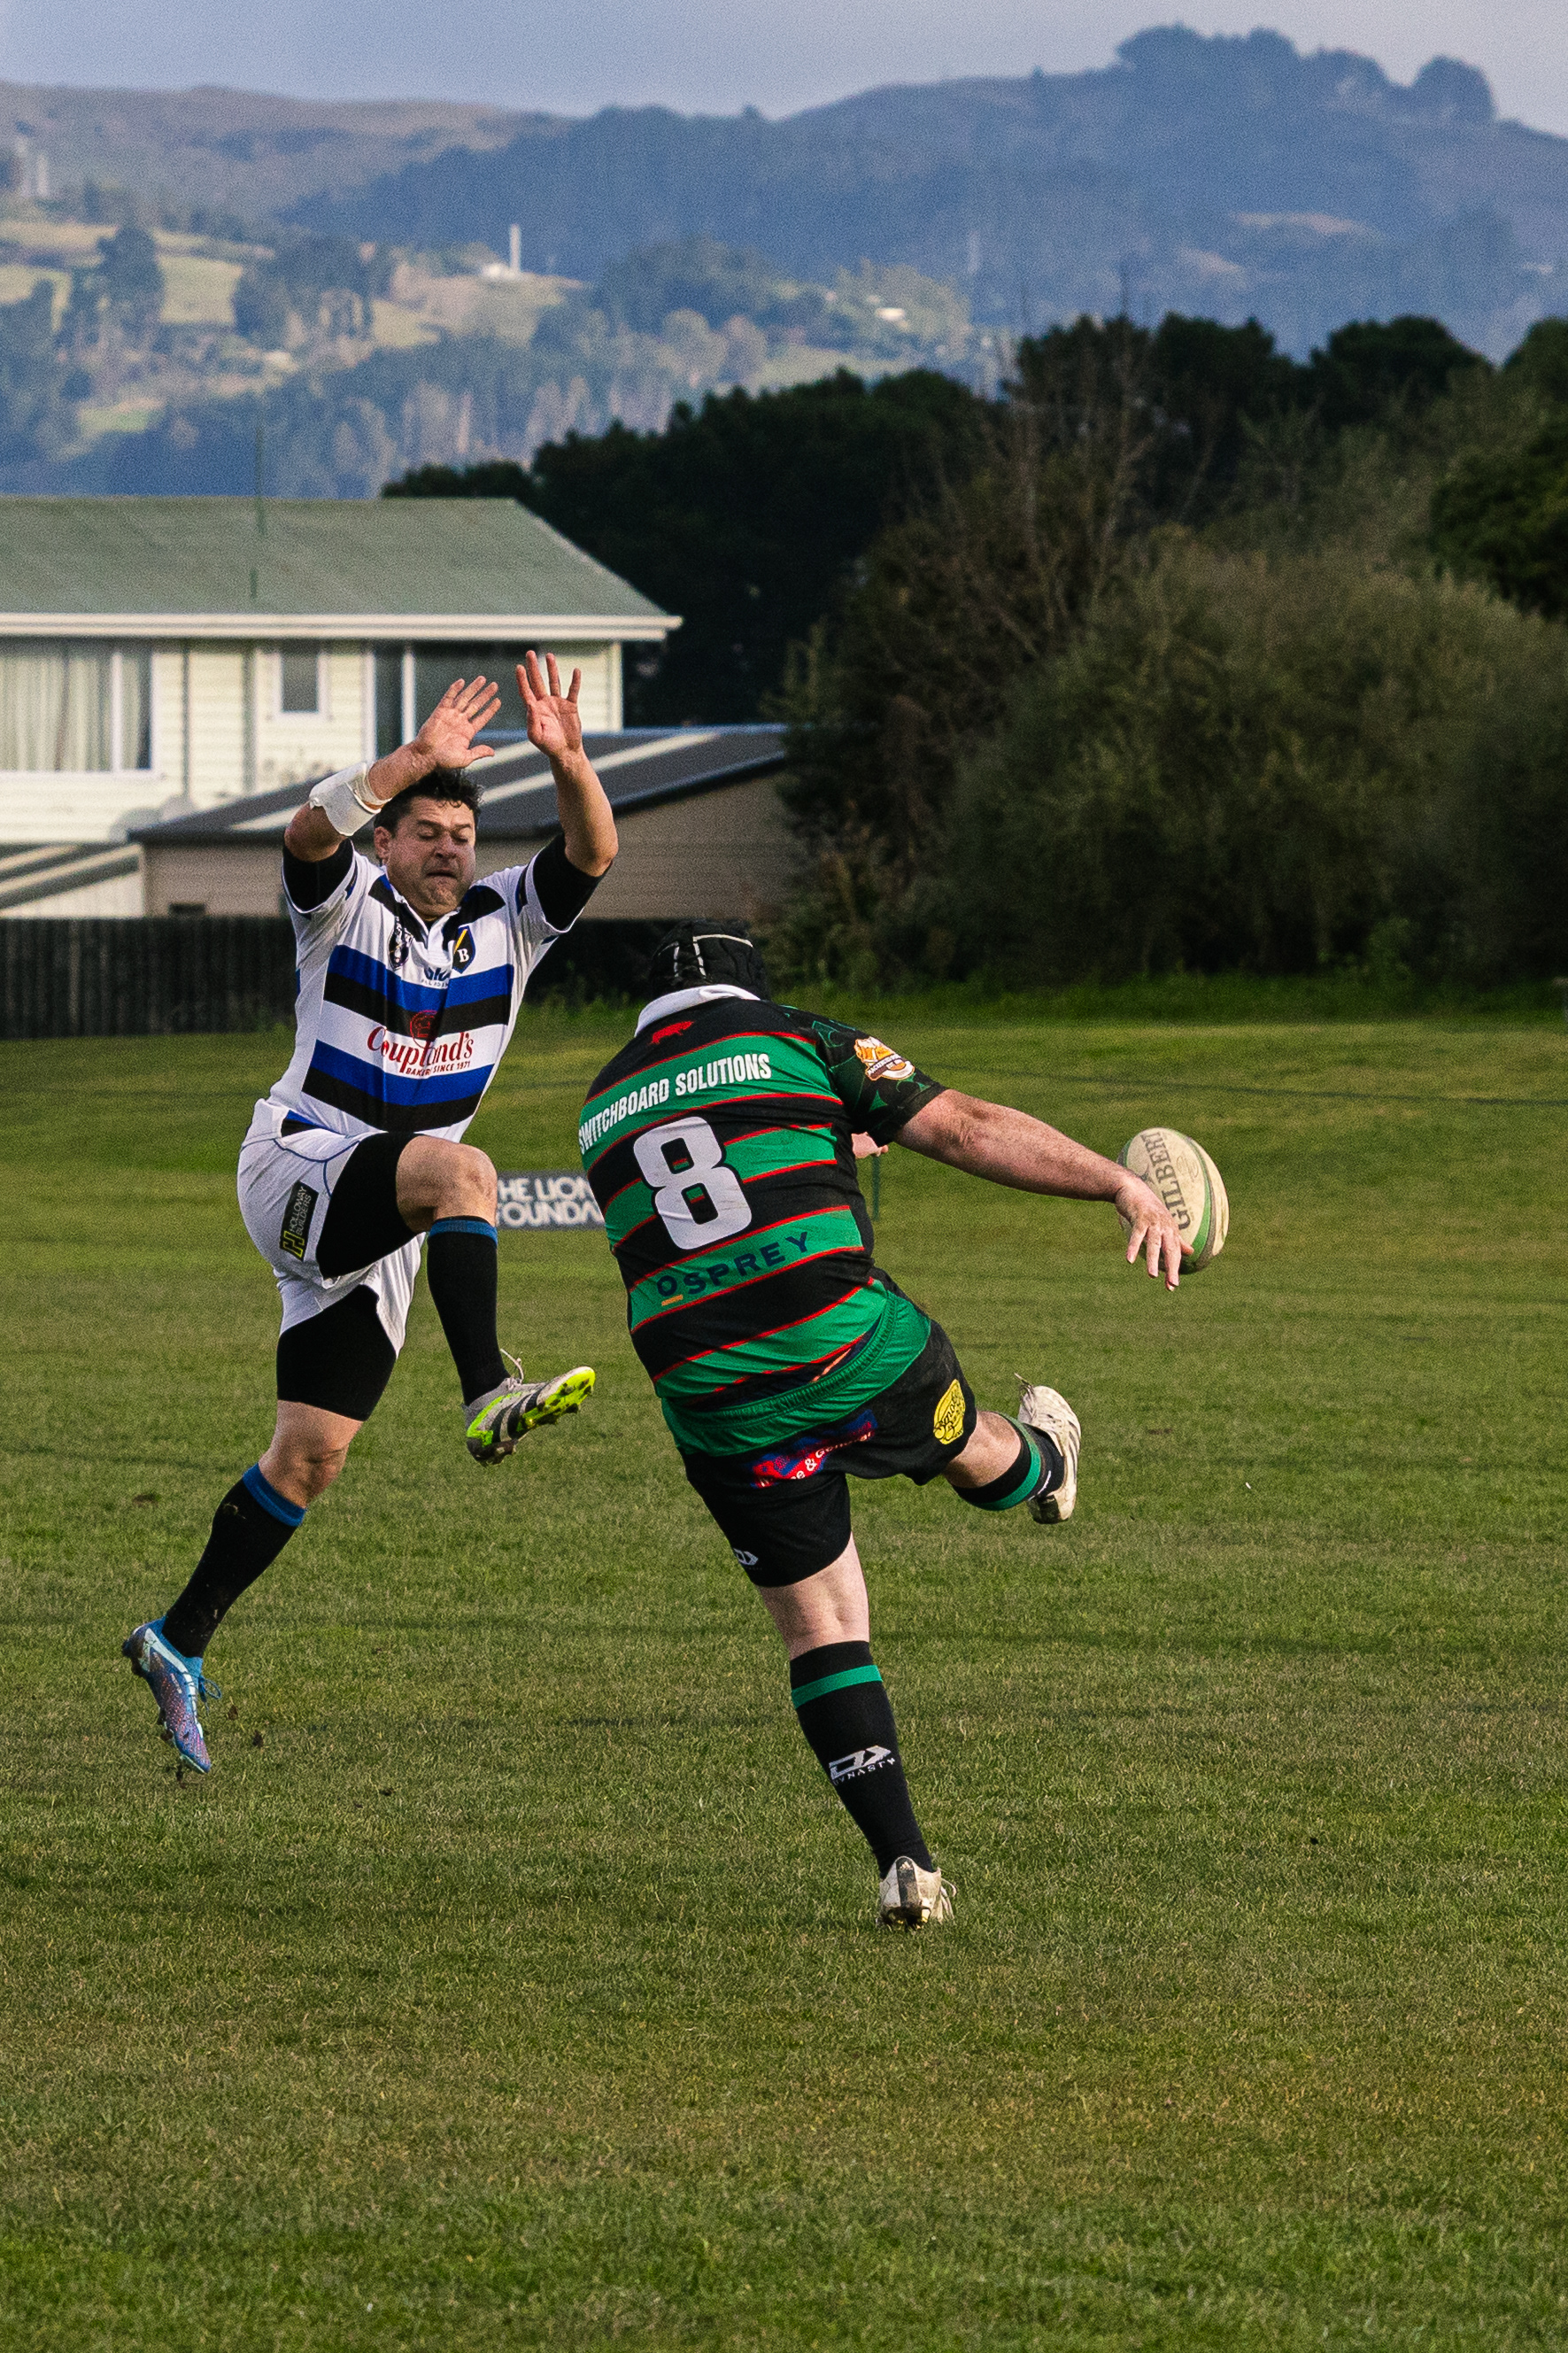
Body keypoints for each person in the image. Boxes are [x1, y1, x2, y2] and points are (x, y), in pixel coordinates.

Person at [577, 923, 1187, 1929]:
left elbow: (708, 1190)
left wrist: (826, 1136)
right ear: (751, 990)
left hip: (716, 1400)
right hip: (848, 1351)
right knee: (966, 1442)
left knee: (821, 1627)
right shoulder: (797, 1036)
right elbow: (968, 1128)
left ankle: (904, 1863)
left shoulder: (601, 1103)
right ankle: (1045, 1465)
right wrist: (1116, 1182)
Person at [124, 654, 617, 1775]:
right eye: (426, 830)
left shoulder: (507, 923)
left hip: (380, 1222)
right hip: (298, 1164)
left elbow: (592, 852)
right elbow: (305, 835)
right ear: (385, 842)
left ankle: (176, 1639)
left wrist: (569, 762)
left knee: (310, 1457)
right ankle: (487, 1389)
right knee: (466, 1173)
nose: (449, 847)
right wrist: (410, 759)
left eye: (462, 833)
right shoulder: (342, 903)